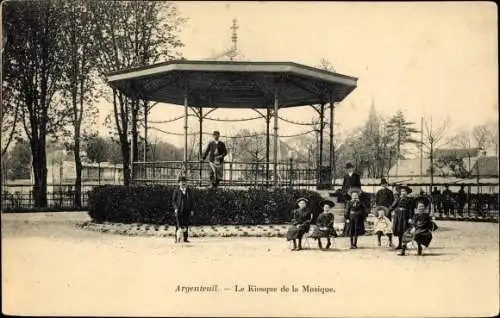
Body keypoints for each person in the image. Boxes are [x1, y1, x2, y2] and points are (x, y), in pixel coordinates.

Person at [389, 184, 415, 250]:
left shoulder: (410, 200)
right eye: (401, 191)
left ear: (407, 192)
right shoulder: (398, 199)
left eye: (404, 191)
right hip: (398, 216)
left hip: (405, 217)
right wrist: (386, 211)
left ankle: (404, 245)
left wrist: (410, 218)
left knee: (405, 230)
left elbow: (411, 209)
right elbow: (392, 207)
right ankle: (399, 244)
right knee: (399, 230)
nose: (403, 192)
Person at [172, 175, 195, 243]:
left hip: (187, 210)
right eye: (182, 182)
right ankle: (176, 238)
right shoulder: (176, 191)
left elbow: (192, 201)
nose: (183, 184)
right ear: (179, 183)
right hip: (179, 210)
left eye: (185, 182)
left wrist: (192, 209)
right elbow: (173, 201)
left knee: (186, 224)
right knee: (178, 224)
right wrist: (175, 208)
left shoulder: (189, 191)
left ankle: (185, 238)